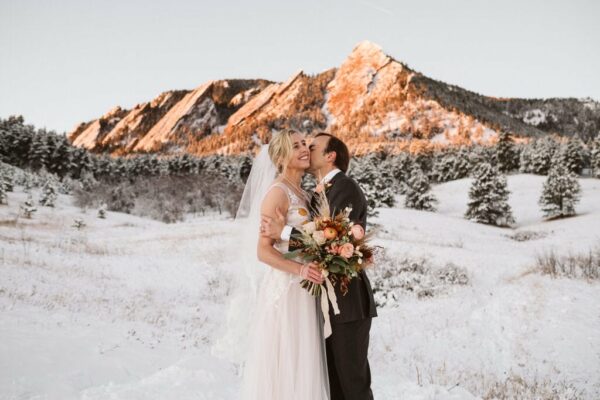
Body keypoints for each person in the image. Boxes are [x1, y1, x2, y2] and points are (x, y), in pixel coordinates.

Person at [261, 132, 377, 400]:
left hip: (348, 304)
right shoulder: (312, 194)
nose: (306, 150)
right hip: (319, 303)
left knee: (353, 383)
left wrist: (286, 232)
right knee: (333, 384)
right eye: (300, 145)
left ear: (330, 155)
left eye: (311, 146)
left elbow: (332, 242)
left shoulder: (344, 187)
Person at [239, 129, 330, 400]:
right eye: (296, 146)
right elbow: (263, 252)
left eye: (305, 143)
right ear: (280, 156)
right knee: (288, 358)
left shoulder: (301, 193)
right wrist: (300, 270)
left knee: (305, 359)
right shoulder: (277, 193)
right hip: (287, 288)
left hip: (307, 288)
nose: (304, 149)